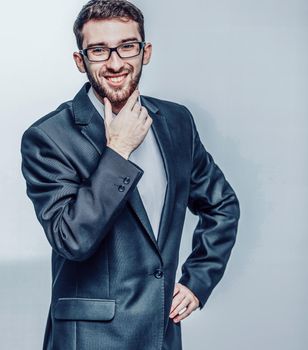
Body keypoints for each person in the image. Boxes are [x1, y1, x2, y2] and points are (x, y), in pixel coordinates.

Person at [20, 1, 240, 349]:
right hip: (90, 339)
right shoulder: (48, 138)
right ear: (81, 60)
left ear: (145, 52)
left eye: (127, 46)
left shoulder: (176, 121)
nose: (115, 62)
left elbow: (222, 205)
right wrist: (118, 152)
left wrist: (199, 281)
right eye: (98, 50)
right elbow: (71, 239)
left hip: (161, 333)